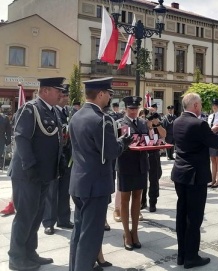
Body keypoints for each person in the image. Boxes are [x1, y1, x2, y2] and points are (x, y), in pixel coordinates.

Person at [68, 77, 132, 270]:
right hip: (95, 185)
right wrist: (124, 141)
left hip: (79, 182)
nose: (109, 98)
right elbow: (111, 152)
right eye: (109, 94)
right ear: (101, 94)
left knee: (79, 232)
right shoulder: (101, 120)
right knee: (91, 236)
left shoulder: (76, 116)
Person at [7, 77, 64, 270]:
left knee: (36, 216)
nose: (61, 94)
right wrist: (30, 167)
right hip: (27, 175)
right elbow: (21, 138)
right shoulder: (30, 109)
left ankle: (30, 253)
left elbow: (55, 140)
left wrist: (59, 163)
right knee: (25, 216)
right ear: (46, 90)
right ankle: (16, 258)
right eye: (58, 91)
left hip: (44, 174)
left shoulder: (53, 111)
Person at [171, 93, 218, 268]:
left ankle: (182, 255)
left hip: (180, 174)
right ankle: (191, 257)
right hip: (195, 176)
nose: (201, 107)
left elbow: (193, 139)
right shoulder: (199, 123)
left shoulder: (177, 121)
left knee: (182, 215)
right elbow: (217, 143)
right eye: (200, 104)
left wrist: (210, 131)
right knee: (194, 218)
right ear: (195, 105)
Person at [116, 96, 149, 251]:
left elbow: (148, 140)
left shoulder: (143, 123)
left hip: (141, 164)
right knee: (124, 199)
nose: (134, 111)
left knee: (138, 197)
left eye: (136, 109)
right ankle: (126, 233)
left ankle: (135, 232)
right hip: (126, 165)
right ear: (125, 109)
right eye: (131, 109)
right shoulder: (120, 123)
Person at [43, 84, 74, 235]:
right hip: (55, 156)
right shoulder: (52, 111)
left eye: (67, 95)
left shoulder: (70, 112)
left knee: (65, 189)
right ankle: (49, 222)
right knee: (51, 190)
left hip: (68, 156)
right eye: (64, 95)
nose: (66, 98)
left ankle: (64, 218)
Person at [141, 111, 167, 212]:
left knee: (154, 179)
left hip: (154, 154)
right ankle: (142, 201)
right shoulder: (142, 124)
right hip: (143, 154)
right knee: (142, 179)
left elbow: (164, 134)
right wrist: (147, 124)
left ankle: (153, 202)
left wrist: (157, 124)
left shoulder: (157, 125)